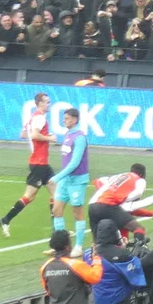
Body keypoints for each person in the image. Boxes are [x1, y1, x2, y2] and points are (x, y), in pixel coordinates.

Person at [0, 90, 56, 237]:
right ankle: (5, 220)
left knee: (56, 192)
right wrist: (49, 138)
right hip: (39, 163)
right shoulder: (40, 118)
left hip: (40, 162)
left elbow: (23, 134)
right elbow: (33, 135)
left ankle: (57, 230)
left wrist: (39, 139)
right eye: (48, 102)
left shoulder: (33, 117)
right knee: (30, 196)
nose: (49, 104)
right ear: (40, 103)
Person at [88, 163, 153, 244]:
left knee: (97, 241)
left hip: (92, 206)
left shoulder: (121, 176)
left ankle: (95, 255)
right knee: (138, 228)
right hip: (108, 206)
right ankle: (138, 252)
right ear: (142, 174)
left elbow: (99, 181)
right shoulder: (139, 181)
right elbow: (132, 206)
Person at [52, 106, 92, 251]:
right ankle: (61, 246)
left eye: (67, 118)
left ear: (74, 120)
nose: (64, 121)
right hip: (65, 181)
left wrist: (57, 177)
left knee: (77, 213)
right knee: (56, 210)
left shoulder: (80, 137)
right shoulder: (68, 134)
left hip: (77, 181)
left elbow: (75, 163)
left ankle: (79, 246)